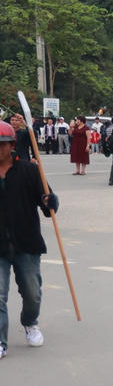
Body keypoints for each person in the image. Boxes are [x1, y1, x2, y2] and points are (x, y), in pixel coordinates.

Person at [0, 120, 59, 359]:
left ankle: (30, 322)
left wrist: (51, 202)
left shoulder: (29, 170)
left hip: (27, 241)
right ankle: (1, 341)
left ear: (12, 144)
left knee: (32, 293)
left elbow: (46, 203)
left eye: (3, 143)